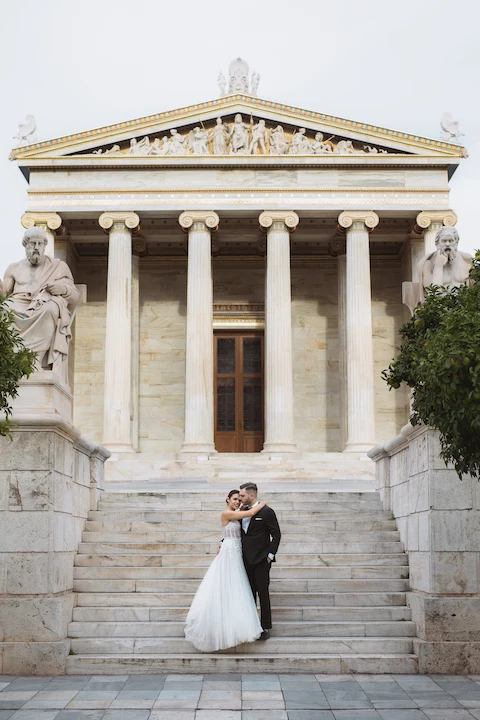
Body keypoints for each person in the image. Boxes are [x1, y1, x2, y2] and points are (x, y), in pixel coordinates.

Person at [184, 490, 265, 651]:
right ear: (227, 499)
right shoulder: (227, 513)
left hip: (235, 550)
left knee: (237, 584)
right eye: (234, 499)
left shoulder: (235, 512)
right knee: (228, 581)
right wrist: (262, 503)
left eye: (238, 499)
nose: (236, 501)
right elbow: (251, 512)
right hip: (229, 552)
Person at [1, 227, 80, 371]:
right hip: (17, 303)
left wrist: (62, 289)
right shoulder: (14, 268)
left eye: (40, 244)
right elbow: (4, 295)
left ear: (44, 246)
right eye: (32, 244)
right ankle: (11, 359)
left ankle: (34, 360)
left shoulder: (58, 266)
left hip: (42, 304)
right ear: (25, 245)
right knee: (4, 308)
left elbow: (75, 295)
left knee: (50, 308)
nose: (36, 248)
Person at [238, 482, 281, 640]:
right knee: (249, 594)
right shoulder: (241, 512)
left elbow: (276, 534)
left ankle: (265, 627)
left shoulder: (267, 511)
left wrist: (270, 555)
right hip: (245, 559)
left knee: (263, 593)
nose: (240, 498)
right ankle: (250, 625)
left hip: (262, 559)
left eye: (242, 495)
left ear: (251, 495)